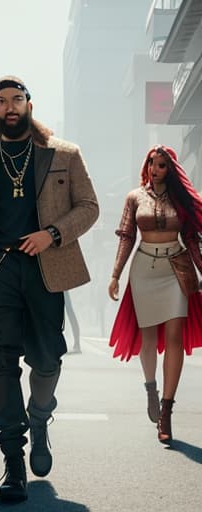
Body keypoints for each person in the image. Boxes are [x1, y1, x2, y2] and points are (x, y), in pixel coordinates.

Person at [0, 76, 99, 503]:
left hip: (44, 269)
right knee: (2, 364)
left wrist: (52, 233)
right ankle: (13, 462)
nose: (9, 107)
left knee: (48, 356)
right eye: (1, 101)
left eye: (16, 99)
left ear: (29, 103)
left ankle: (39, 416)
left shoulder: (64, 155)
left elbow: (90, 207)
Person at [108, 144, 202, 444]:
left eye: (162, 165)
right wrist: (115, 275)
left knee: (174, 338)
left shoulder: (181, 199)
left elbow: (191, 238)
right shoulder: (134, 197)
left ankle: (166, 412)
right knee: (148, 341)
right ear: (147, 166)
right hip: (143, 270)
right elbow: (126, 237)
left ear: (170, 169)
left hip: (176, 268)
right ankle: (151, 388)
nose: (156, 169)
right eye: (152, 163)